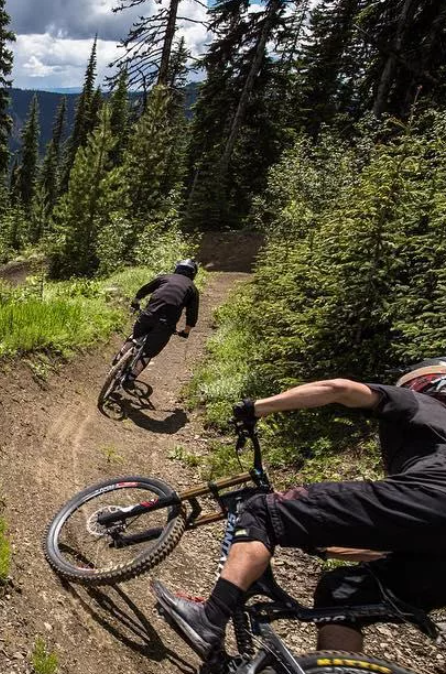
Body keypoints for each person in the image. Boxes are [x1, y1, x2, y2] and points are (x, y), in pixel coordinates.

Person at [153, 358, 446, 659]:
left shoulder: (424, 404)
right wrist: (321, 542)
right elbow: (390, 544)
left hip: (433, 496)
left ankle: (210, 617)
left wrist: (256, 407)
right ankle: (339, 668)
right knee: (340, 595)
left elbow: (339, 388)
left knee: (261, 511)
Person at [122, 259, 200, 387]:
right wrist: (185, 332)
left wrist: (135, 302)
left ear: (177, 268)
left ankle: (118, 359)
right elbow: (192, 315)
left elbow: (145, 289)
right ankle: (130, 378)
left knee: (135, 336)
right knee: (149, 352)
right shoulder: (192, 289)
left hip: (148, 315)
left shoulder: (165, 277)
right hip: (166, 325)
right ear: (193, 274)